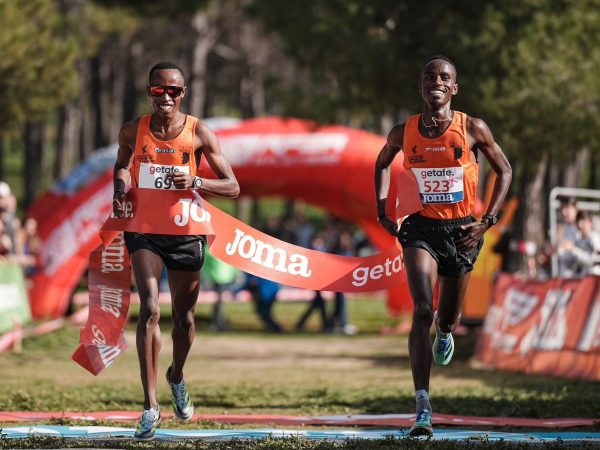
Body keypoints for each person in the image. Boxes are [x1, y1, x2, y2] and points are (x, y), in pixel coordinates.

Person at [374, 55, 512, 437]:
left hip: (463, 231)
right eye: (429, 76)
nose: (436, 81)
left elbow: (505, 170)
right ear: (421, 87)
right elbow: (382, 163)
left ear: (454, 88)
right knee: (422, 308)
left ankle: (446, 330)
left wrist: (487, 222)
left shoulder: (473, 128)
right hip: (420, 228)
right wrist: (383, 210)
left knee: (446, 318)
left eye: (444, 77)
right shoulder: (404, 131)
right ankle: (422, 404)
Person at [112, 61, 239, 440]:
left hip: (186, 233)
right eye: (158, 90)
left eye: (173, 91)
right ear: (149, 91)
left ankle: (176, 375)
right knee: (149, 308)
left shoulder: (200, 132)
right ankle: (150, 407)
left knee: (184, 321)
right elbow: (121, 166)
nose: (165, 97)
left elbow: (232, 186)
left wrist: (197, 180)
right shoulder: (133, 130)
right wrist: (119, 191)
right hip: (144, 230)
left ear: (183, 93)